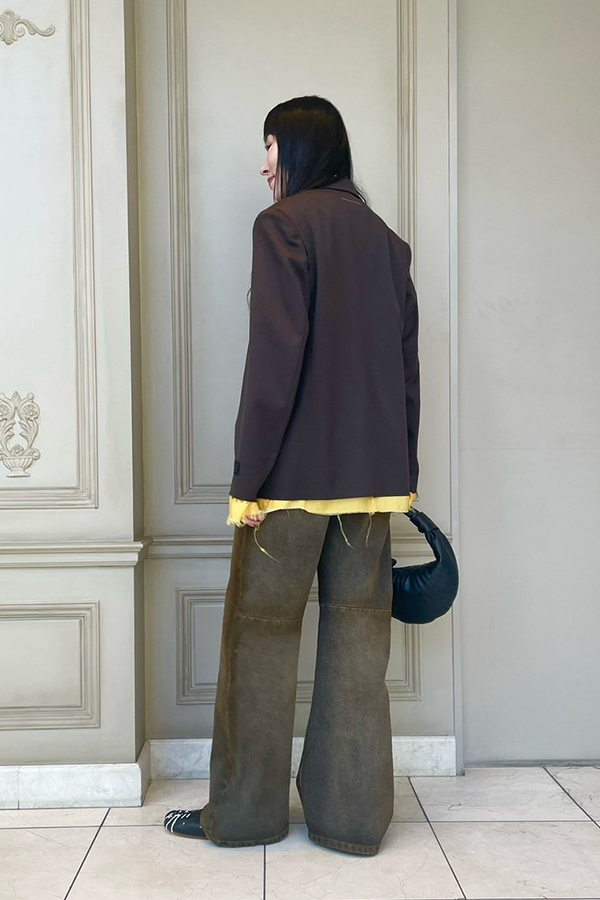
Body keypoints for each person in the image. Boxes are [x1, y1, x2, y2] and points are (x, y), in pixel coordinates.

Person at [164, 95, 420, 856]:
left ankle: (244, 818)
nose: (264, 164)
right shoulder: (387, 242)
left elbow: (273, 365)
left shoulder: (282, 226)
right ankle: (352, 823)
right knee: (358, 652)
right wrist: (402, 474)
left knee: (259, 643)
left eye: (270, 145)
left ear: (299, 149)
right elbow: (407, 374)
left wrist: (247, 479)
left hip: (288, 488)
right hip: (372, 490)